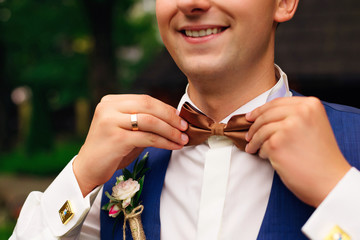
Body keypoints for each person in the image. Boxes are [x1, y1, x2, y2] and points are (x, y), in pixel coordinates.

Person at [10, 0, 360, 239]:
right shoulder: (118, 159)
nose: (191, 3)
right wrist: (80, 176)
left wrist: (338, 191)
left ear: (284, 1)